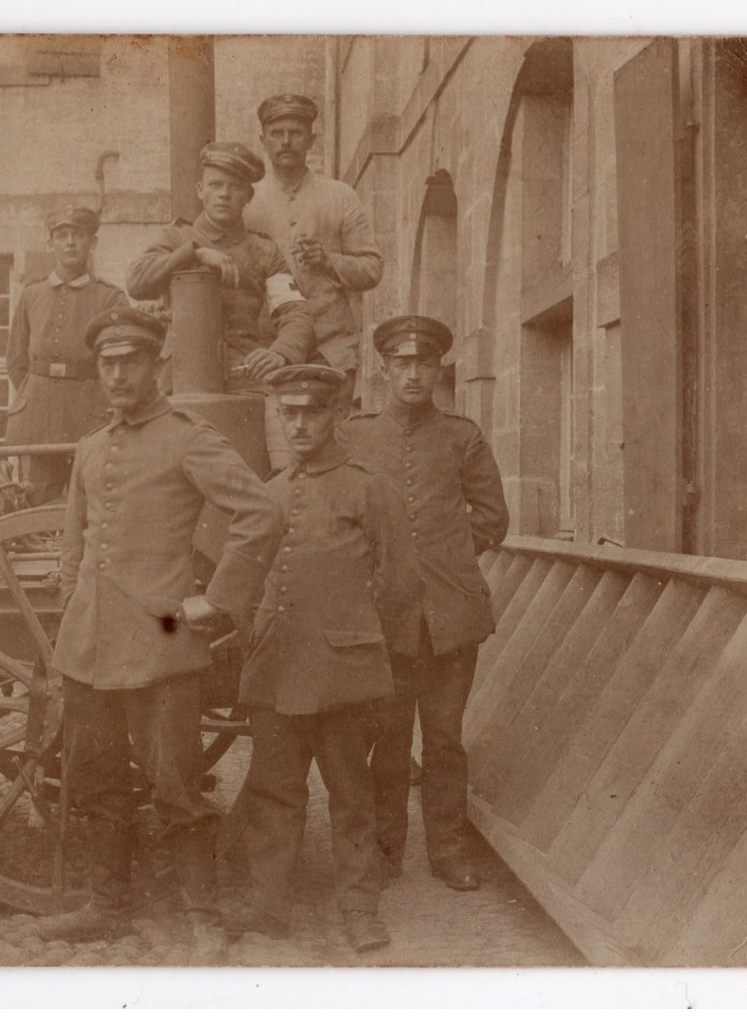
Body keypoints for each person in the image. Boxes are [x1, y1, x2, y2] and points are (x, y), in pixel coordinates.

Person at [39, 307, 283, 966]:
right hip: (88, 645)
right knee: (93, 780)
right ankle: (107, 905)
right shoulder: (91, 447)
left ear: (156, 366)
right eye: (109, 363)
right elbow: (74, 539)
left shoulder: (187, 439)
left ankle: (203, 915)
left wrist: (218, 602)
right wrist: (70, 608)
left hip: (162, 638)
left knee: (176, 783)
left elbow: (259, 512)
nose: (119, 375)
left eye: (131, 362)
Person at [226, 364, 421, 954]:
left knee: (351, 794)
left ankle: (361, 908)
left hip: (345, 673)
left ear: (338, 416)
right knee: (274, 791)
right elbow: (251, 578)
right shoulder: (272, 490)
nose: (299, 424)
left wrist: (366, 649)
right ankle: (267, 904)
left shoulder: (371, 488)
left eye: (312, 411)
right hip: (279, 671)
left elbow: (401, 584)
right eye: (289, 413)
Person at [337, 315, 509, 891]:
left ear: (439, 369)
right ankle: (387, 852)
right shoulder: (355, 436)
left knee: (443, 739)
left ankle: (449, 850)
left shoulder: (463, 437)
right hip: (384, 617)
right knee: (388, 741)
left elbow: (492, 519)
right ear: (384, 369)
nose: (413, 375)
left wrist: (447, 557)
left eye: (424, 364)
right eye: (402, 364)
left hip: (451, 620)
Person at [126, 141, 314, 392]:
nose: (224, 194)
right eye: (216, 185)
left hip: (245, 374)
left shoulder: (263, 250)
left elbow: (295, 312)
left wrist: (282, 352)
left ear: (249, 196)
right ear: (200, 190)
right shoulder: (178, 239)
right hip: (183, 377)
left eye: (236, 187)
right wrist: (194, 254)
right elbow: (137, 283)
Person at [244, 94, 384, 403]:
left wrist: (329, 261)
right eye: (276, 134)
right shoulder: (248, 202)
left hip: (331, 348)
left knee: (330, 436)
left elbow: (372, 268)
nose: (286, 142)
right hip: (270, 349)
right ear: (262, 140)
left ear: (311, 139)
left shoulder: (340, 196)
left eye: (295, 133)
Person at [4, 206, 129, 504]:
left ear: (92, 243)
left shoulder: (110, 298)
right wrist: (38, 394)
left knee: (93, 500)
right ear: (51, 243)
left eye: (79, 235)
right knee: (35, 500)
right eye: (62, 235)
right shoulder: (31, 295)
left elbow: (120, 363)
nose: (70, 242)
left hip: (90, 415)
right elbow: (16, 361)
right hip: (38, 419)